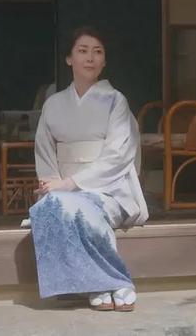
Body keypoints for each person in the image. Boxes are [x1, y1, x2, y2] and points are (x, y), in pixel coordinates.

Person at [30, 26, 148, 311]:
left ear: (104, 61)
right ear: (69, 58)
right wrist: (54, 184)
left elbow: (118, 156)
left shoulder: (116, 101)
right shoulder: (53, 104)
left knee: (76, 207)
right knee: (53, 206)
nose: (90, 58)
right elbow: (44, 151)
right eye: (82, 51)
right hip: (63, 188)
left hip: (110, 188)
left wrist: (71, 184)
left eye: (97, 52)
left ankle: (104, 282)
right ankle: (102, 283)